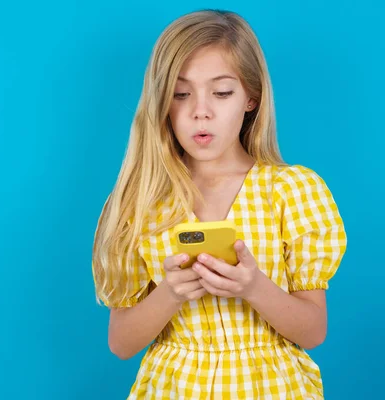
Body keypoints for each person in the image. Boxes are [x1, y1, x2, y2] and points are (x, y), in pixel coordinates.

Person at [92, 9, 347, 399]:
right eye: (181, 94)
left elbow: (313, 332)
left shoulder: (291, 190)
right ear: (162, 102)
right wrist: (171, 293)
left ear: (251, 99)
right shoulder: (140, 200)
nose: (201, 110)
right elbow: (121, 343)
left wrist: (254, 287)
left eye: (222, 92)